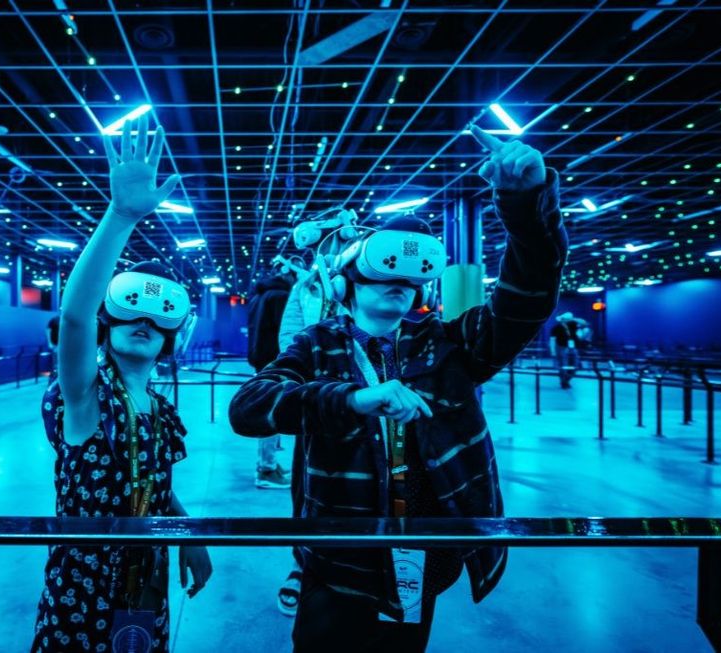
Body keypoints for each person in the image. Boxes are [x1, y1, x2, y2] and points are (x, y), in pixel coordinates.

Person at [229, 125, 567, 652]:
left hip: (423, 557)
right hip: (337, 559)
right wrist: (350, 399)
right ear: (345, 283)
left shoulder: (452, 348)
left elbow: (527, 299)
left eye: (412, 282)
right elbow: (248, 409)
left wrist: (525, 205)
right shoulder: (317, 346)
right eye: (385, 275)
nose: (401, 287)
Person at [32, 115, 212, 653]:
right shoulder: (85, 394)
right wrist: (121, 216)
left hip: (146, 568)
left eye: (161, 318)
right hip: (85, 571)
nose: (146, 322)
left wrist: (188, 538)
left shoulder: (157, 406)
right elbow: (75, 319)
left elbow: (156, 484)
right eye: (132, 308)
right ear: (109, 324)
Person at [274, 212, 359, 617]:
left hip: (372, 395)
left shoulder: (367, 274)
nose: (324, 250)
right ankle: (301, 564)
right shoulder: (304, 287)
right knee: (306, 489)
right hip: (319, 400)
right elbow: (287, 341)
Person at [246, 262, 295, 490]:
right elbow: (285, 333)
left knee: (271, 412)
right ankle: (266, 470)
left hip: (261, 359)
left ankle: (269, 465)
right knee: (271, 414)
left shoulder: (260, 296)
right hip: (275, 361)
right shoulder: (280, 296)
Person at [549, 311, 580, 388]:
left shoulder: (573, 326)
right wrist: (553, 352)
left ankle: (566, 380)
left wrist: (574, 319)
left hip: (572, 348)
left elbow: (584, 323)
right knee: (563, 365)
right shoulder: (556, 328)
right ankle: (564, 382)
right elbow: (552, 340)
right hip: (561, 348)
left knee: (575, 365)